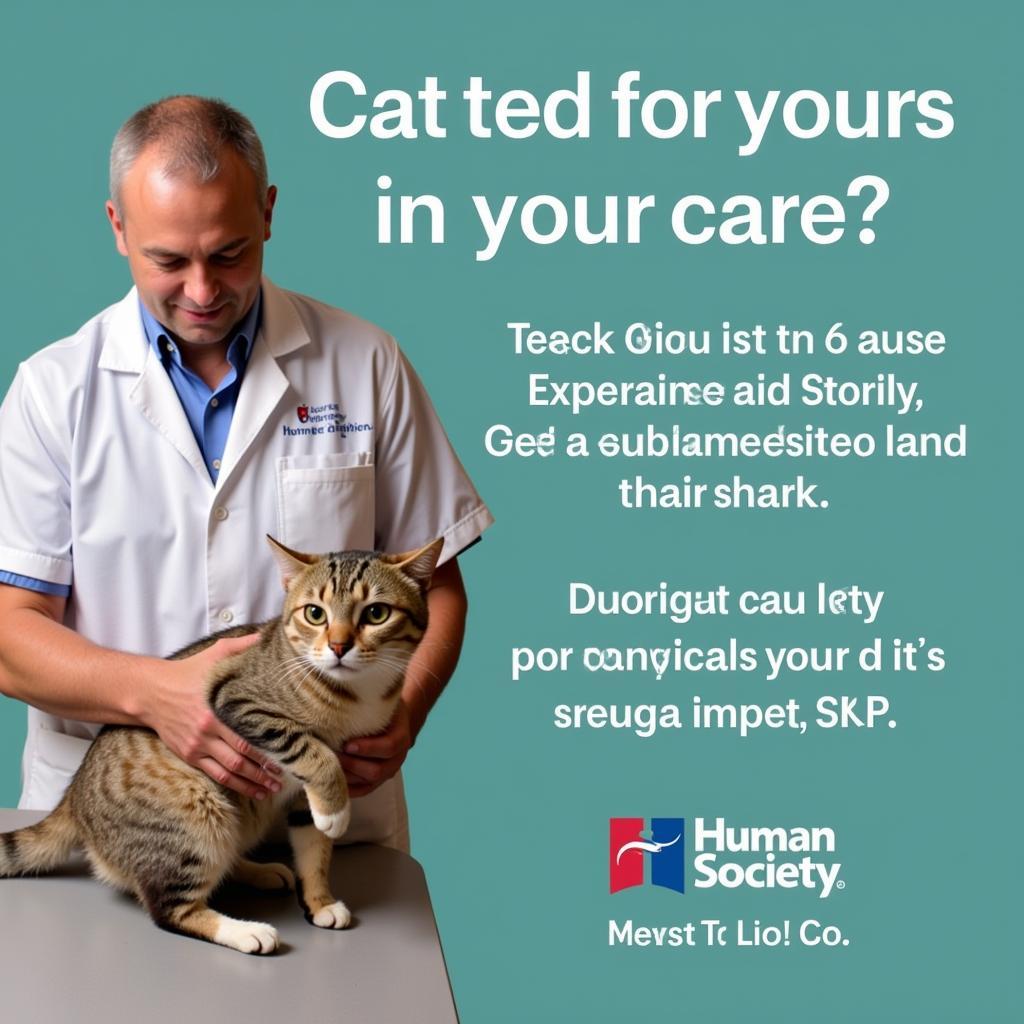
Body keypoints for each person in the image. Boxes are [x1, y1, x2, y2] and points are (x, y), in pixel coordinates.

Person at [0, 95, 493, 852]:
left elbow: (437, 579)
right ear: (117, 228)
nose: (201, 291)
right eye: (169, 260)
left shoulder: (366, 363)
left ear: (267, 213)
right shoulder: (52, 391)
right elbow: (10, 632)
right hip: (137, 812)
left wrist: (408, 710)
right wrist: (155, 695)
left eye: (229, 253)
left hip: (328, 811)